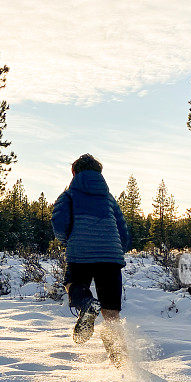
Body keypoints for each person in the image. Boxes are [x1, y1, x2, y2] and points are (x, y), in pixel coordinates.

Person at [51, 154, 129, 364]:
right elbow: (122, 229)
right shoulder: (109, 198)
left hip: (81, 253)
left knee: (72, 283)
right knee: (111, 314)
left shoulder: (69, 196)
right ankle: (121, 363)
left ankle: (86, 304)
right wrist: (118, 249)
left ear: (75, 173)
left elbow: (59, 222)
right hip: (111, 257)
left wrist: (66, 239)